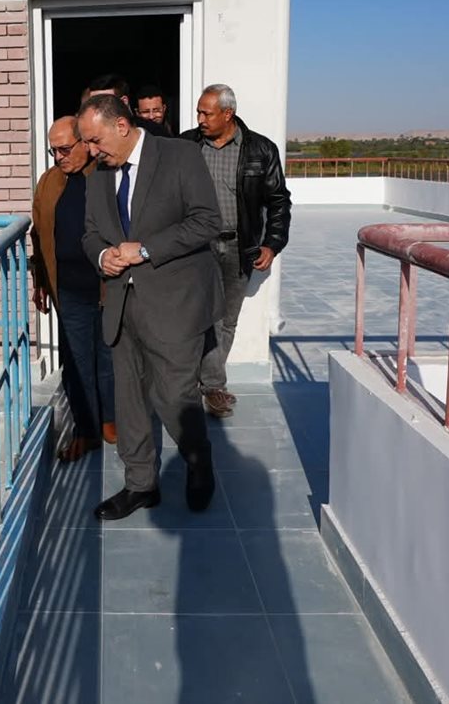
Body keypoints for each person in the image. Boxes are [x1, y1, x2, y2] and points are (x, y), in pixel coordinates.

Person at [78, 92, 222, 520]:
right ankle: (140, 484)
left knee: (175, 395)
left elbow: (206, 221)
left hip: (175, 302)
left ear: (122, 126)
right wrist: (102, 257)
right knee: (130, 400)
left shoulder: (180, 156)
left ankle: (198, 461)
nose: (91, 151)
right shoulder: (98, 175)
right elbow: (90, 233)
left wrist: (144, 250)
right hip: (121, 302)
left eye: (95, 140)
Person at [179, 83, 293, 418]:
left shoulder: (261, 149)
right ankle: (198, 385)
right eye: (198, 112)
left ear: (228, 114)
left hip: (239, 247)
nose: (200, 119)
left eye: (206, 113)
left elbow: (278, 201)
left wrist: (272, 243)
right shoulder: (185, 146)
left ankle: (211, 386)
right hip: (195, 247)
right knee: (196, 317)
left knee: (226, 320)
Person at [30, 117, 116, 460]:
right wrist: (40, 280)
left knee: (110, 359)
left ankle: (111, 420)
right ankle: (86, 430)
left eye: (65, 149)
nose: (58, 157)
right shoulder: (50, 182)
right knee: (77, 364)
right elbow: (38, 234)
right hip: (68, 290)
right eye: (53, 150)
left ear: (85, 143)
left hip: (109, 287)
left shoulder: (109, 175)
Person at [84, 73, 170, 137]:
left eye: (104, 102)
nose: (98, 108)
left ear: (124, 101)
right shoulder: (89, 134)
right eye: (93, 103)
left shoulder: (153, 132)